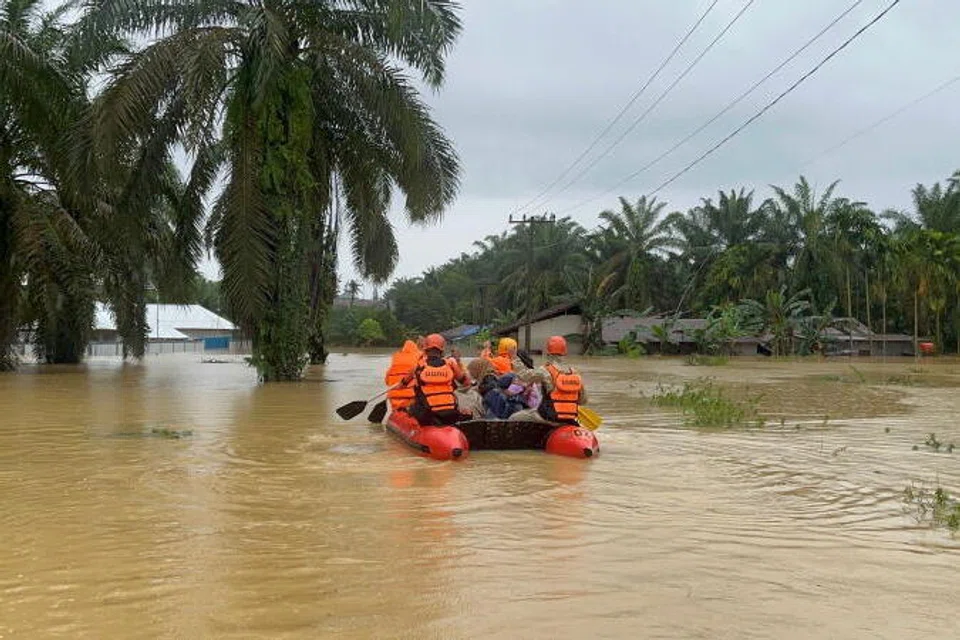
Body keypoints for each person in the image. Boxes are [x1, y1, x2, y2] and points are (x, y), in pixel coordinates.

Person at [509, 335, 588, 424]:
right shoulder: (574, 372)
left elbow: (524, 375)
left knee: (513, 417)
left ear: (547, 352)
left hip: (550, 416)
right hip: (570, 418)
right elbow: (583, 400)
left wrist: (514, 358)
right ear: (565, 352)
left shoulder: (546, 370)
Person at [404, 333, 472, 425]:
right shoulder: (451, 364)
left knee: (410, 407)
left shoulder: (418, 366)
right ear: (442, 349)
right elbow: (466, 383)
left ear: (425, 349)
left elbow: (403, 384)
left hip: (427, 415)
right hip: (450, 413)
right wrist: (459, 365)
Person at [384, 339, 422, 411]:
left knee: (396, 412)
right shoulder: (419, 357)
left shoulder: (394, 362)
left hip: (393, 396)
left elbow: (386, 381)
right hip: (410, 396)